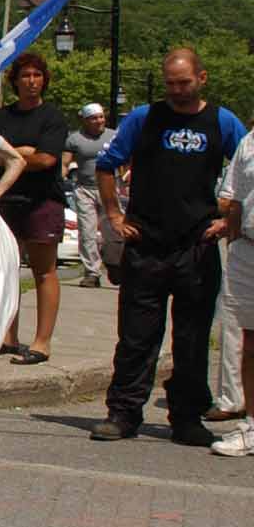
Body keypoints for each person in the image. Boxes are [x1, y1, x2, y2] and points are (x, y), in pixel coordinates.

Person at [90, 49, 248, 445]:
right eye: (171, 83)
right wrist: (113, 215)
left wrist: (227, 222)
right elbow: (107, 165)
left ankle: (188, 417)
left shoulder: (223, 122)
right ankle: (124, 413)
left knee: (193, 338)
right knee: (137, 336)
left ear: (202, 78)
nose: (177, 90)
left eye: (185, 83)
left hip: (197, 246)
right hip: (146, 242)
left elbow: (245, 173)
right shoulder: (144, 118)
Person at [0, 53, 67, 364]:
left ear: (44, 79)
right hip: (6, 201)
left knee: (43, 270)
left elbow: (47, 159)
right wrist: (22, 155)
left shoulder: (52, 118)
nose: (31, 81)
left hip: (43, 202)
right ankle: (8, 337)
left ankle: (42, 342)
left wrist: (13, 156)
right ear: (15, 81)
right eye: (25, 76)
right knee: (7, 271)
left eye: (37, 75)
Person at [211, 131, 254, 454]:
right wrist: (232, 231)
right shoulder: (250, 141)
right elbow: (231, 197)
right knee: (249, 342)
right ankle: (252, 425)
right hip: (248, 249)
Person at [63, 103, 111, 287]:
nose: (99, 121)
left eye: (101, 117)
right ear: (84, 120)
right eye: (93, 118)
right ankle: (92, 272)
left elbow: (127, 157)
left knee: (113, 232)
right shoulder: (74, 139)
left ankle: (114, 264)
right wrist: (60, 178)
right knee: (87, 232)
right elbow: (65, 163)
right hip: (84, 189)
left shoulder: (114, 136)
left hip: (110, 188)